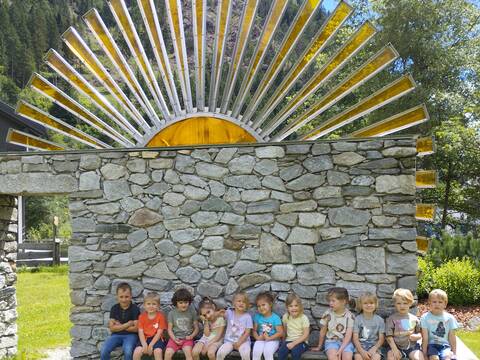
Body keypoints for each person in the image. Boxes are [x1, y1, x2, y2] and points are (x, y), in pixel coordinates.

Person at [312, 287, 355, 360]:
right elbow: (323, 331)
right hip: (331, 342)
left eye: (333, 301)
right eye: (329, 301)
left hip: (346, 343)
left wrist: (341, 349)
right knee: (333, 357)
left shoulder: (350, 316)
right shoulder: (327, 314)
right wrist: (319, 346)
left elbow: (348, 335)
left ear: (343, 301)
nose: (330, 303)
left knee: (347, 357)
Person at [100, 282, 140, 360]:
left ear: (131, 296)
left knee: (128, 351)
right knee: (104, 350)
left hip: (131, 336)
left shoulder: (135, 308)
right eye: (121, 297)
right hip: (116, 335)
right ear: (117, 297)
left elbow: (136, 328)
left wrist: (119, 325)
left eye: (126, 297)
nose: (124, 299)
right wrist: (128, 324)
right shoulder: (114, 308)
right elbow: (112, 328)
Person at [385, 288, 424, 360]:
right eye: (399, 303)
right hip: (396, 346)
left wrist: (416, 336)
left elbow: (420, 334)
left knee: (419, 358)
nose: (402, 306)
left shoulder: (414, 319)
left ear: (410, 303)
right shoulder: (392, 319)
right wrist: (395, 349)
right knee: (391, 357)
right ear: (395, 304)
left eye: (405, 303)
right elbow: (388, 336)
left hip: (412, 347)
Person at [421, 289, 458, 360]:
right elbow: (425, 338)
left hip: (445, 346)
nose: (437, 304)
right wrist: (424, 354)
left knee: (447, 357)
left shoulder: (450, 318)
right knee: (434, 358)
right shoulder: (425, 318)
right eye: (434, 302)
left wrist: (454, 353)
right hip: (431, 345)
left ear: (445, 304)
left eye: (440, 302)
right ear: (429, 303)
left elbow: (452, 337)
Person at [216, 291, 253, 360]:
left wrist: (239, 342)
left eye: (244, 302)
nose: (241, 303)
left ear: (247, 305)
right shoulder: (229, 313)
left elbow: (247, 332)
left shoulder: (247, 317)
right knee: (220, 353)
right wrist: (219, 313)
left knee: (245, 354)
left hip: (243, 341)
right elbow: (219, 314)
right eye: (239, 301)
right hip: (229, 341)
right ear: (234, 303)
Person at [165, 288, 199, 360]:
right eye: (181, 303)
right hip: (175, 338)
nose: (183, 305)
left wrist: (191, 336)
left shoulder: (192, 312)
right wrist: (174, 338)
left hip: (187, 339)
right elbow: (169, 329)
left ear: (189, 302)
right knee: (167, 354)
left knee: (188, 353)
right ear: (176, 303)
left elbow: (196, 328)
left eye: (186, 302)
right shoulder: (172, 313)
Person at [133, 292, 167, 360]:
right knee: (137, 352)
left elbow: (159, 332)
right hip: (145, 338)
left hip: (157, 339)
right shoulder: (141, 317)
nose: (151, 306)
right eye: (148, 304)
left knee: (158, 351)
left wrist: (151, 345)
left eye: (154, 304)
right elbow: (140, 331)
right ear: (144, 305)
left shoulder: (160, 316)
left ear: (158, 306)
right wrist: (144, 344)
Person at [352, 292, 385, 360]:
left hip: (374, 346)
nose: (368, 305)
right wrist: (361, 351)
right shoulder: (357, 319)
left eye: (371, 303)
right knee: (358, 357)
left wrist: (374, 349)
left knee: (376, 357)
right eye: (365, 303)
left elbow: (381, 339)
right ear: (361, 305)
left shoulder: (380, 320)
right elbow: (355, 338)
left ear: (375, 304)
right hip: (360, 346)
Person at [278, 293, 310, 360]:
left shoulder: (303, 318)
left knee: (295, 352)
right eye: (291, 306)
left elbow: (306, 334)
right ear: (287, 307)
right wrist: (283, 342)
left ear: (300, 306)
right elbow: (285, 331)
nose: (294, 308)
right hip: (289, 340)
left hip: (302, 342)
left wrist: (293, 343)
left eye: (296, 305)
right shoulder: (286, 317)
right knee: (281, 352)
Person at [252, 292, 284, 360]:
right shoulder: (257, 317)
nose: (261, 307)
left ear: (270, 304)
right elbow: (254, 330)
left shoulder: (275, 318)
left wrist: (270, 338)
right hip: (261, 339)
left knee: (267, 352)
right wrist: (258, 338)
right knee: (256, 352)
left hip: (273, 340)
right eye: (259, 306)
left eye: (263, 305)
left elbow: (280, 332)